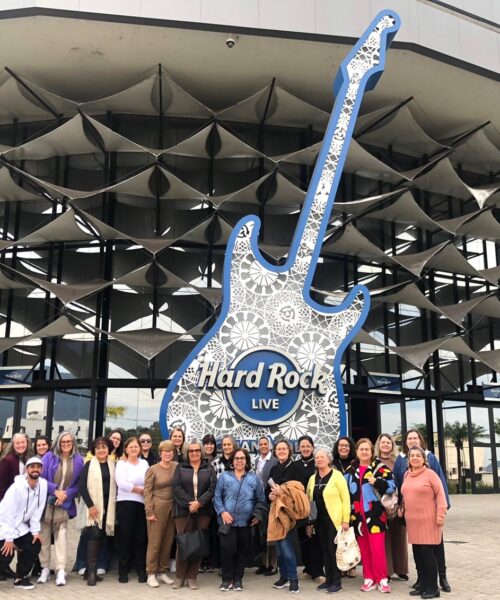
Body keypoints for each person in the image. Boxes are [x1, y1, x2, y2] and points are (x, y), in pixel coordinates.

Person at [393, 429, 451, 593]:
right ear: (408, 459)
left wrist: (441, 514)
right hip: (413, 521)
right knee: (418, 554)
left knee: (428, 554)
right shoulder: (406, 474)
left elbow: (441, 495)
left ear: (424, 458)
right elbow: (404, 493)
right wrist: (401, 507)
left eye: (418, 456)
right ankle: (423, 584)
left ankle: (433, 588)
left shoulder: (430, 473)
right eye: (412, 456)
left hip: (429, 520)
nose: (415, 458)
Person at [344, 438, 395, 594]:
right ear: (357, 452)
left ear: (372, 452)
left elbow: (392, 487)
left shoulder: (380, 468)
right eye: (361, 449)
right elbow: (345, 494)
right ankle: (369, 578)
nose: (364, 452)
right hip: (357, 517)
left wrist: (377, 482)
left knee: (377, 548)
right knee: (364, 548)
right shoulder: (350, 471)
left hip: (375, 516)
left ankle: (382, 579)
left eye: (367, 449)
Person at [214, 447, 265, 591]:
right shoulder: (224, 477)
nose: (239, 461)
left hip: (246, 523)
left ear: (247, 461)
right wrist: (223, 512)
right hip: (227, 522)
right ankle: (226, 579)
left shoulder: (253, 478)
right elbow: (217, 497)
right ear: (232, 461)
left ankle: (237, 580)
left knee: (242, 553)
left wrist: (257, 515)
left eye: (242, 458)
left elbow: (261, 500)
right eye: (236, 458)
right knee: (227, 551)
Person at [38, 430, 83, 587]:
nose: (65, 445)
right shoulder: (49, 457)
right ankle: (44, 568)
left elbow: (79, 484)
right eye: (63, 442)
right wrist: (55, 491)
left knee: (61, 538)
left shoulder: (78, 460)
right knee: (44, 537)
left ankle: (61, 570)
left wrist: (66, 494)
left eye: (68, 442)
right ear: (58, 442)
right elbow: (41, 478)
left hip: (64, 504)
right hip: (47, 503)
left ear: (73, 443)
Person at [172, 439, 217, 590]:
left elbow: (212, 488)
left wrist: (199, 503)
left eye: (197, 450)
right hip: (183, 511)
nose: (194, 453)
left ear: (201, 452)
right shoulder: (180, 467)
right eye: (191, 451)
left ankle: (192, 576)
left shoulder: (209, 468)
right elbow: (176, 487)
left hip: (203, 511)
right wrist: (190, 503)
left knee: (197, 544)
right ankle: (179, 576)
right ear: (187, 452)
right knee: (183, 543)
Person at [306, 448, 350, 594]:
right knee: (324, 550)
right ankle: (328, 580)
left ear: (329, 459)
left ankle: (337, 582)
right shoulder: (313, 478)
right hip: (319, 520)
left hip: (334, 520)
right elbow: (310, 501)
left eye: (322, 457)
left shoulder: (337, 476)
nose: (319, 459)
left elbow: (346, 498)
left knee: (333, 550)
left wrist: (346, 519)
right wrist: (310, 522)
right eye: (317, 457)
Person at [0, 457, 47, 590]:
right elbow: (7, 514)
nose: (35, 469)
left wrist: (35, 532)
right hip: (3, 525)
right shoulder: (16, 488)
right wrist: (9, 539)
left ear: (41, 470)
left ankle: (20, 578)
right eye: (32, 467)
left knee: (34, 544)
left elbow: (37, 510)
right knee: (5, 555)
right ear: (26, 470)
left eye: (38, 467)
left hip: (20, 526)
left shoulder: (42, 485)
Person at [267, 438, 305, 594]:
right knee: (280, 548)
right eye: (278, 449)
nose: (281, 451)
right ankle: (283, 577)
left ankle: (293, 580)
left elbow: (299, 490)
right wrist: (270, 496)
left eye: (284, 448)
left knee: (286, 546)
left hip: (289, 513)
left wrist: (281, 492)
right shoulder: (274, 469)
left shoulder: (296, 467)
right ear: (275, 452)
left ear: (289, 451)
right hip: (276, 512)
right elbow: (266, 490)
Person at [79, 437, 117, 586]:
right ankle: (92, 573)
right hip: (94, 508)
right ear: (94, 450)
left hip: (109, 506)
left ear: (109, 449)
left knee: (100, 537)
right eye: (98, 448)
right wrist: (91, 506)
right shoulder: (89, 465)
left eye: (104, 447)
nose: (101, 450)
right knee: (93, 536)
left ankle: (89, 570)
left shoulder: (113, 465)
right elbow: (82, 487)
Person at [115, 436, 149, 583]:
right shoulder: (121, 464)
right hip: (125, 503)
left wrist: (139, 491)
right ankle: (123, 570)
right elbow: (121, 483)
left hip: (142, 504)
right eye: (131, 447)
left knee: (141, 538)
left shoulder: (144, 463)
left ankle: (141, 569)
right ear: (126, 449)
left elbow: (149, 480)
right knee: (126, 537)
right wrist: (139, 490)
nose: (134, 449)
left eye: (136, 446)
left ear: (139, 449)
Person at [374, 433, 408, 582]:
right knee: (385, 538)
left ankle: (401, 569)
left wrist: (402, 504)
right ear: (378, 445)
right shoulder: (373, 462)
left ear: (392, 445)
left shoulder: (399, 462)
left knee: (399, 536)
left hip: (397, 505)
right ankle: (387, 570)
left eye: (388, 442)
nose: (386, 445)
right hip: (379, 505)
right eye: (383, 442)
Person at [144, 440, 177, 588]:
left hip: (173, 508)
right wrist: (149, 511)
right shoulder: (153, 469)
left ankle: (163, 571)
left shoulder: (177, 467)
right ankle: (151, 573)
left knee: (168, 541)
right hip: (157, 508)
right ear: (160, 453)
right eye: (165, 450)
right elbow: (147, 491)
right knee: (155, 542)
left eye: (170, 450)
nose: (168, 453)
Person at [295, 435, 324, 585]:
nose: (305, 449)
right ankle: (307, 568)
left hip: (315, 506)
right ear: (299, 448)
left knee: (315, 539)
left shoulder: (318, 463)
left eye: (308, 446)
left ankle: (318, 571)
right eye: (303, 446)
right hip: (300, 507)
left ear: (312, 448)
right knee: (303, 540)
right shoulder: (295, 465)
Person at [253, 436, 278, 576]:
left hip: (271, 500)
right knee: (261, 533)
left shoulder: (274, 461)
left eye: (265, 444)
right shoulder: (256, 461)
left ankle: (273, 565)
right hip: (260, 501)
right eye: (261, 444)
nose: (263, 446)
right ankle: (263, 563)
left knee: (271, 533)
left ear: (270, 445)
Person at [200, 433, 218, 574]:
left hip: (215, 503)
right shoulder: (198, 461)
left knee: (213, 533)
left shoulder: (219, 461)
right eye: (206, 443)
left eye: (211, 444)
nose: (209, 446)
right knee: (202, 532)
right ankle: (201, 561)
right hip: (201, 502)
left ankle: (211, 562)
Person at [0, 432, 32, 501]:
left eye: (23, 442)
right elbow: (2, 484)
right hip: (10, 500)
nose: (20, 445)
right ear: (13, 445)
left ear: (27, 443)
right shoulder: (7, 460)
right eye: (17, 443)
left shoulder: (28, 459)